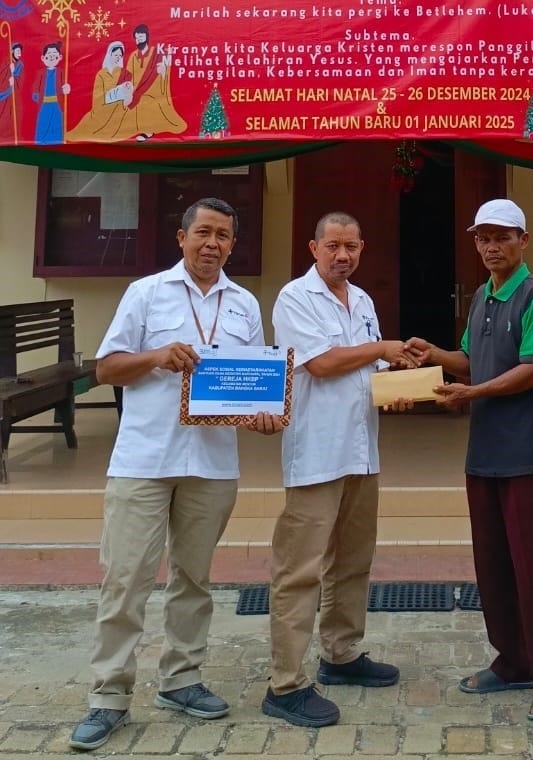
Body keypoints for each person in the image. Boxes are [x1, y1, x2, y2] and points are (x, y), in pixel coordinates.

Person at [69, 197, 283, 752]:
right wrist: (157, 356)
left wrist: (263, 414)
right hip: (144, 460)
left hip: (212, 464)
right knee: (126, 580)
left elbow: (248, 381)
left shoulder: (244, 304)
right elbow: (106, 368)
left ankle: (181, 680)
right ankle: (108, 696)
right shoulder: (146, 293)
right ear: (182, 237)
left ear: (233, 244)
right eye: (203, 232)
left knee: (194, 579)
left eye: (223, 235)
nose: (212, 244)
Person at [405, 198, 533, 724]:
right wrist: (434, 355)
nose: (491, 246)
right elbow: (470, 359)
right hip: (485, 452)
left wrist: (472, 393)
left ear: (523, 240)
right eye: (482, 238)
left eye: (502, 236)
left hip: (528, 452)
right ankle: (513, 661)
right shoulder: (483, 295)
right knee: (494, 564)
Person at [263, 211, 413, 728]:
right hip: (316, 454)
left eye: (351, 246)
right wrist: (382, 348)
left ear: (361, 248)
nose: (342, 255)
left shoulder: (363, 300)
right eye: (332, 246)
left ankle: (341, 654)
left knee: (352, 561)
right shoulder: (294, 298)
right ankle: (285, 684)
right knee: (300, 570)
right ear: (314, 248)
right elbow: (322, 363)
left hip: (361, 452)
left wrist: (396, 388)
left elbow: (370, 371)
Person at [125, 24, 186, 141]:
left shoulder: (157, 53)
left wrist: (163, 71)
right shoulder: (133, 56)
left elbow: (165, 70)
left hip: (153, 90)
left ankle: (148, 131)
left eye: (141, 37)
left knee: (145, 99)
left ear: (147, 37)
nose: (139, 40)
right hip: (136, 90)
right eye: (137, 38)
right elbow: (128, 76)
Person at [66, 41, 135, 143]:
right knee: (87, 126)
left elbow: (128, 96)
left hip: (120, 110)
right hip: (102, 109)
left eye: (120, 55)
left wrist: (125, 97)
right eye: (115, 55)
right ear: (110, 55)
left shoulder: (124, 74)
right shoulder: (101, 74)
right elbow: (97, 101)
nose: (118, 58)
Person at [32, 41, 70, 145]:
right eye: (49, 56)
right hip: (44, 105)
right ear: (43, 58)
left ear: (60, 57)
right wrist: (36, 95)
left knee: (56, 124)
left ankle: (57, 140)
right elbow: (36, 87)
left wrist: (66, 89)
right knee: (44, 123)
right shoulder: (41, 73)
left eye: (55, 55)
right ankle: (41, 141)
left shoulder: (61, 72)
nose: (52, 58)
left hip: (57, 104)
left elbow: (64, 85)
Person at [0, 41, 23, 141]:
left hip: (14, 94)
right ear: (12, 51)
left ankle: (13, 135)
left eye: (20, 52)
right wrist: (9, 72)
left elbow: (21, 80)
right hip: (4, 94)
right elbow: (1, 76)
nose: (19, 54)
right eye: (17, 51)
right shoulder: (6, 63)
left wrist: (15, 78)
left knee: (15, 113)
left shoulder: (20, 64)